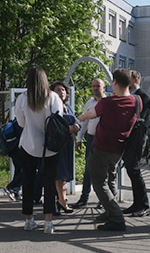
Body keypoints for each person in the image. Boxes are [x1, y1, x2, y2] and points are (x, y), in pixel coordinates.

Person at [77, 69, 137, 232]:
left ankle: (117, 217)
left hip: (101, 148)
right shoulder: (136, 101)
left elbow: (91, 114)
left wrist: (80, 118)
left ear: (115, 83)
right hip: (119, 150)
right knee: (110, 179)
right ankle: (109, 212)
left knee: (99, 183)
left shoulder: (107, 102)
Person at [14, 67, 66, 233]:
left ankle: (29, 220)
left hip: (28, 145)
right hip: (50, 147)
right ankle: (48, 223)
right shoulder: (53, 98)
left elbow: (21, 123)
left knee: (28, 182)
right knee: (49, 183)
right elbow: (59, 121)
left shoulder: (22, 98)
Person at [72, 78, 110, 208]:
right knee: (88, 168)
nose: (95, 88)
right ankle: (84, 198)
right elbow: (85, 122)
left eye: (97, 86)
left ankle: (103, 200)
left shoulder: (108, 103)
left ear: (104, 88)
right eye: (93, 86)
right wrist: (79, 138)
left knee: (104, 169)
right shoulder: (90, 102)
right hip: (91, 139)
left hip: (105, 140)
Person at [122, 70, 150, 217]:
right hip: (131, 137)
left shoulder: (142, 96)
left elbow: (139, 118)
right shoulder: (132, 95)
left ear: (134, 80)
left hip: (138, 137)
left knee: (134, 169)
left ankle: (144, 205)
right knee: (131, 169)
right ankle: (136, 204)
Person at [51, 81, 76, 214]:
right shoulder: (52, 107)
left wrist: (77, 127)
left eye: (63, 90)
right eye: (58, 90)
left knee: (65, 174)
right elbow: (53, 125)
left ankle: (62, 200)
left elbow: (74, 120)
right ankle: (60, 201)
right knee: (59, 173)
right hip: (57, 144)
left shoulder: (68, 106)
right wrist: (68, 128)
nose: (61, 92)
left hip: (68, 144)